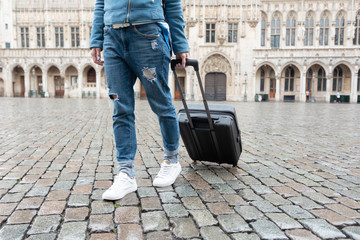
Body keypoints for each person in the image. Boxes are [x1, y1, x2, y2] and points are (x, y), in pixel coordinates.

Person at [90, 0, 189, 200]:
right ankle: (126, 173)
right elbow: (100, 3)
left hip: (148, 34)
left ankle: (171, 161)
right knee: (120, 108)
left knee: (161, 103)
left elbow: (172, 3)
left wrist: (180, 43)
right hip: (112, 37)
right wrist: (96, 39)